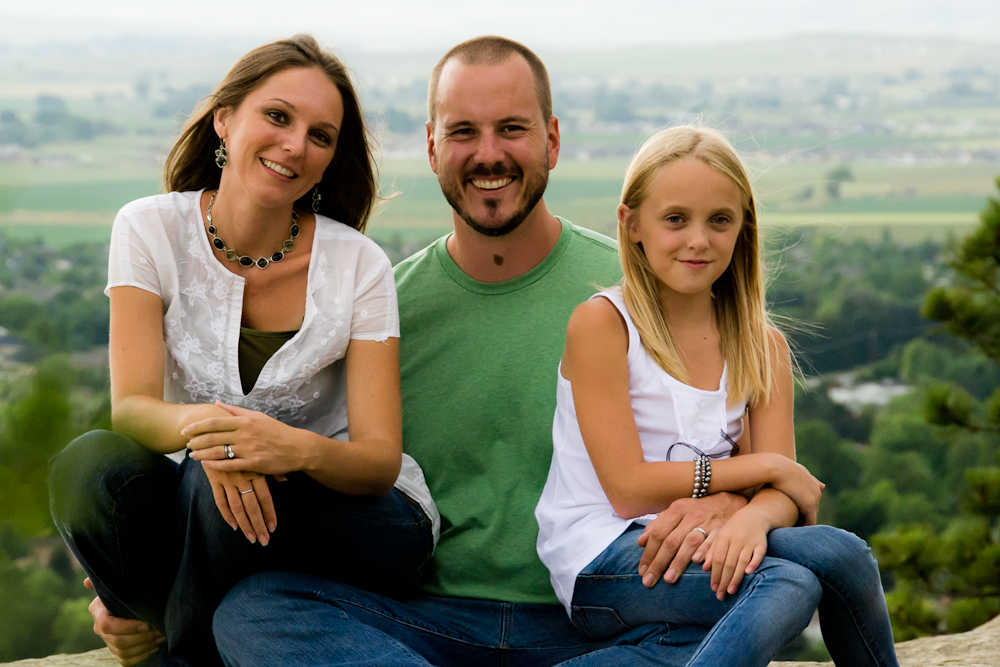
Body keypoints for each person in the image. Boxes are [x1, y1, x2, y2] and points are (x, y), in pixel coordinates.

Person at [47, 34, 436, 667]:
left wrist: (284, 447)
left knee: (212, 473)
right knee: (89, 467)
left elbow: (376, 461)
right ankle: (162, 618)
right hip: (205, 509)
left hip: (361, 522)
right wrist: (222, 434)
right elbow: (133, 409)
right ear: (225, 120)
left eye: (321, 135)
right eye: (278, 116)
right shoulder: (146, 228)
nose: (294, 144)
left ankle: (172, 648)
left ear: (331, 159)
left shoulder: (360, 264)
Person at [535, 125, 900, 667]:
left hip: (706, 547)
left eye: (720, 221)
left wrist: (750, 515)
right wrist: (762, 473)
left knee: (843, 553)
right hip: (604, 559)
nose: (698, 240)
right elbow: (629, 490)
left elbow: (785, 495)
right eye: (675, 219)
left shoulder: (762, 346)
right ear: (631, 224)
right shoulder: (604, 325)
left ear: (742, 229)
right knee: (788, 585)